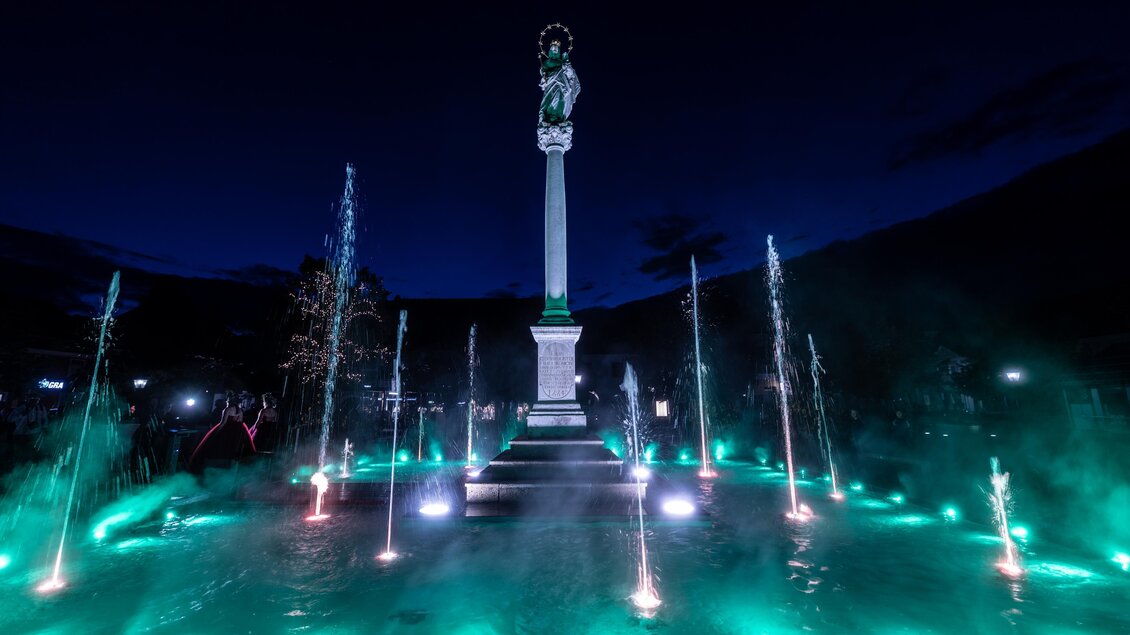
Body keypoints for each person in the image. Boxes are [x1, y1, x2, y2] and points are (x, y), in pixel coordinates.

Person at [188, 391, 255, 473]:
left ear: (229, 401)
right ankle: (229, 467)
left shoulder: (227, 409)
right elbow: (240, 423)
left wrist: (215, 432)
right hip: (236, 432)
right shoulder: (240, 410)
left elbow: (223, 423)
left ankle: (217, 467)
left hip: (226, 431)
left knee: (219, 447)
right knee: (232, 449)